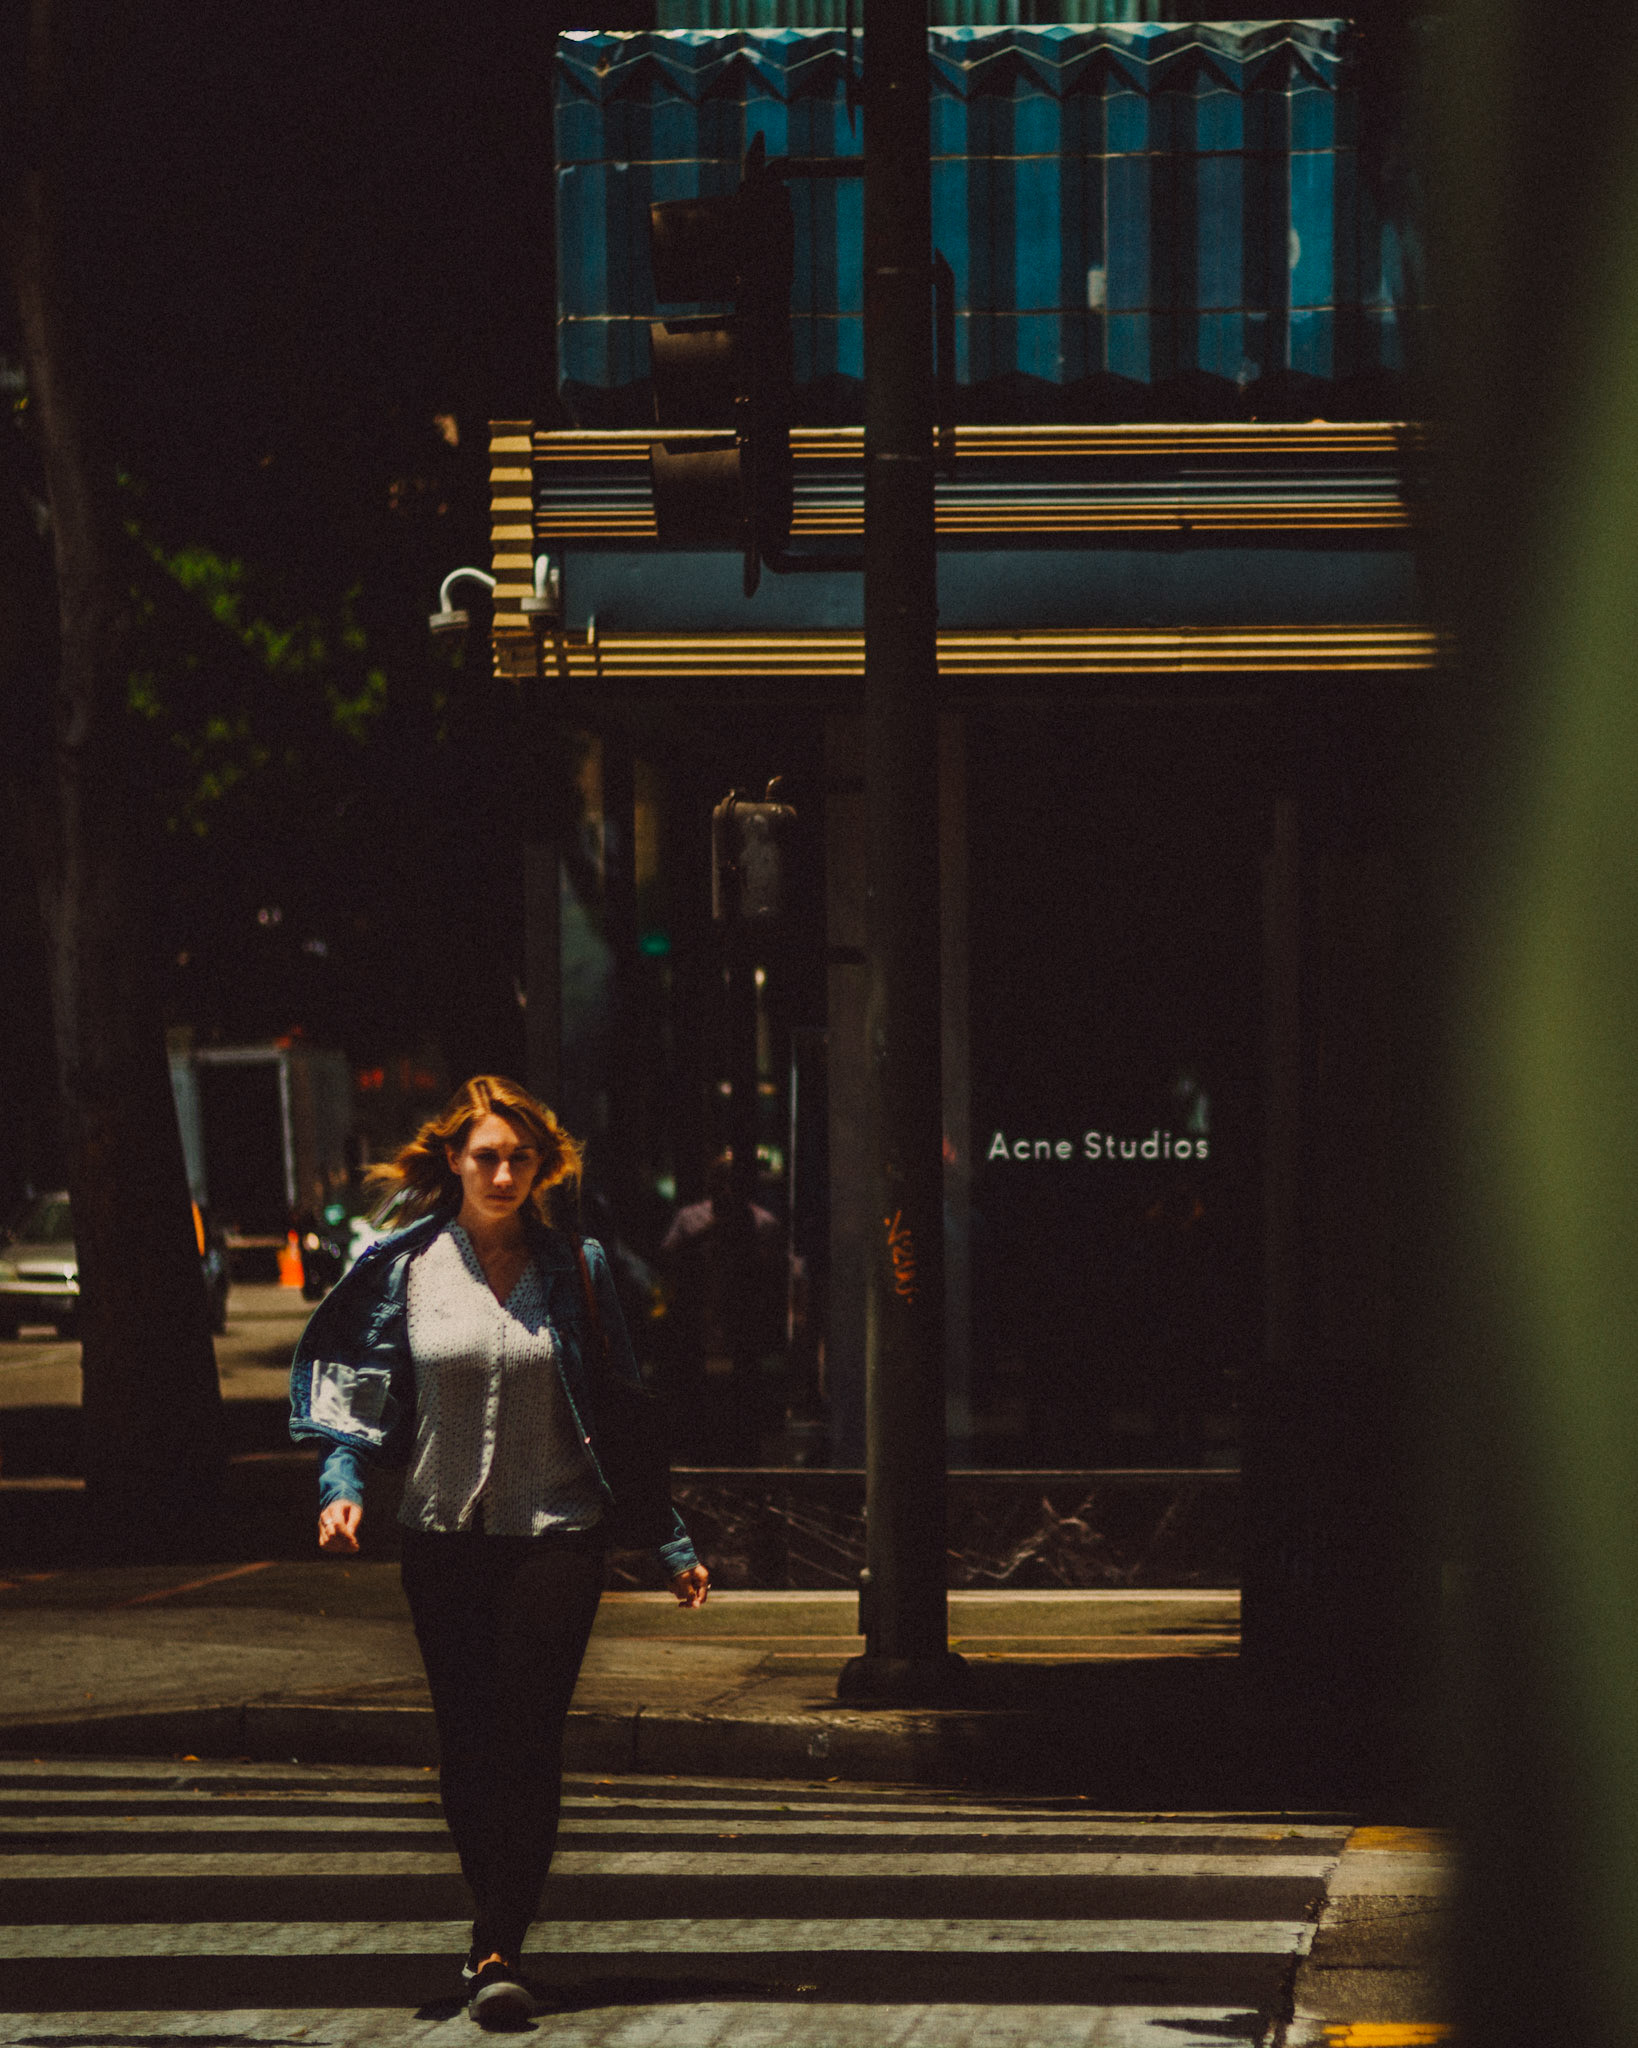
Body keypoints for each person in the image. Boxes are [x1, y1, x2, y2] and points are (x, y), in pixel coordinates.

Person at [288, 1074, 707, 2027]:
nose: (506, 1171)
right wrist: (342, 1488)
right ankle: (495, 1916)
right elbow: (355, 1388)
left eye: (522, 1157)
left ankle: (497, 1943)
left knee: (527, 1740)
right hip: (440, 1536)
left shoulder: (579, 1268)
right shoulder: (405, 1267)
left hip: (556, 1535)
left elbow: (623, 1410)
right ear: (453, 1161)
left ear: (543, 1164)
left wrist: (668, 1536)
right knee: (466, 1749)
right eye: (488, 1155)